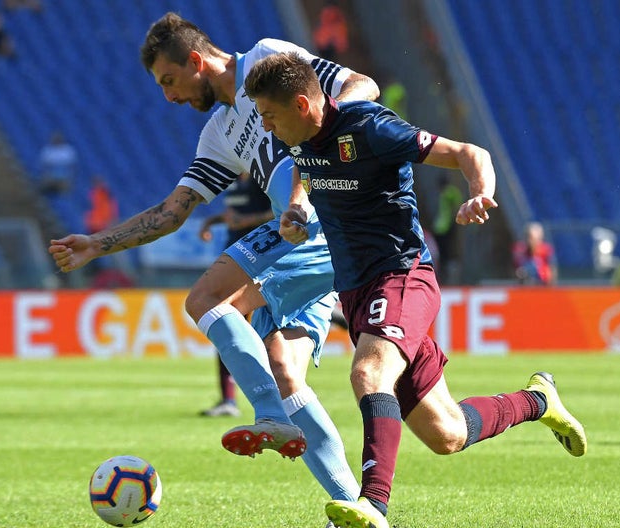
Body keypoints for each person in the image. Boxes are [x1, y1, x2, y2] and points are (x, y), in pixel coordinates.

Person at [49, 12, 380, 515]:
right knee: (285, 370)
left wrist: (325, 133)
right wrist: (98, 243)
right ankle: (357, 511)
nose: (169, 96)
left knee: (206, 298)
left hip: (324, 218)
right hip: (302, 233)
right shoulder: (220, 132)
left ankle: (268, 415)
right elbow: (172, 212)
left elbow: (363, 85)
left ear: (196, 61)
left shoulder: (266, 59)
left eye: (169, 80)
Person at [244, 52, 587, 528]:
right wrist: (297, 207)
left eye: (269, 115)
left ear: (302, 105)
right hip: (357, 291)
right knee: (447, 433)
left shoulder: (370, 128)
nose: (265, 126)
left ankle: (373, 505)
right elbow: (307, 164)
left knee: (368, 373)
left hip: (402, 276)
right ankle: (539, 400)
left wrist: (480, 193)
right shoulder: (300, 137)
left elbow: (470, 153)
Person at [198, 172, 273, 418]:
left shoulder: (264, 178)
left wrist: (248, 220)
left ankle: (234, 400)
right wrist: (213, 221)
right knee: (225, 322)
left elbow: (281, 212)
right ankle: (228, 400)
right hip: (234, 256)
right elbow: (235, 215)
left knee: (235, 323)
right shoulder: (233, 180)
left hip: (259, 257)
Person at [432, 174, 464, 283]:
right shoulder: (451, 192)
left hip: (443, 227)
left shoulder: (448, 192)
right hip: (444, 226)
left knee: (444, 251)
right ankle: (445, 274)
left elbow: (455, 207)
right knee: (446, 251)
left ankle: (444, 274)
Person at [513, 221, 557, 285]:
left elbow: (552, 272)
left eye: (535, 239)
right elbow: (516, 271)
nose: (531, 242)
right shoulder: (520, 250)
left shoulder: (546, 250)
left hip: (543, 286)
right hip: (525, 286)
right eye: (529, 237)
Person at [38, 131, 78, 197]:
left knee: (66, 189)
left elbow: (72, 167)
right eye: (55, 139)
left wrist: (71, 178)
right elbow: (44, 167)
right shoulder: (47, 151)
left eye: (58, 139)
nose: (57, 140)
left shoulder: (67, 151)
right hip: (51, 177)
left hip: (64, 177)